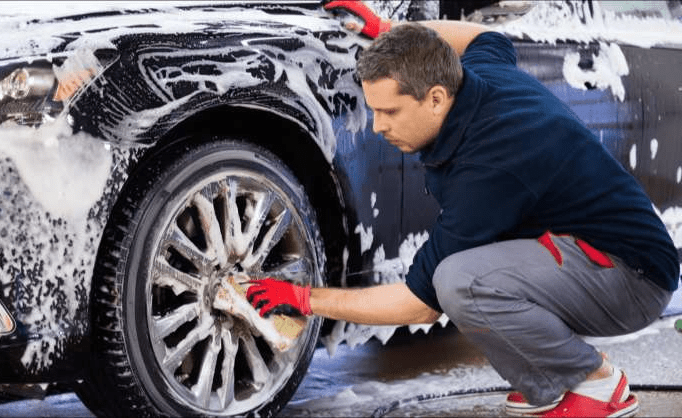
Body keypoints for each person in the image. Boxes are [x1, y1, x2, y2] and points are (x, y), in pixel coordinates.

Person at [245, 1, 679, 417]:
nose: (378, 127)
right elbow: (487, 35)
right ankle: (550, 385)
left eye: (390, 111)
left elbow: (419, 305)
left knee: (459, 281)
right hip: (589, 252)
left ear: (435, 98)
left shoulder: (489, 169)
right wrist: (392, 35)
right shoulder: (476, 75)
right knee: (464, 274)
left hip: (633, 279)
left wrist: (306, 299)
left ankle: (599, 384)